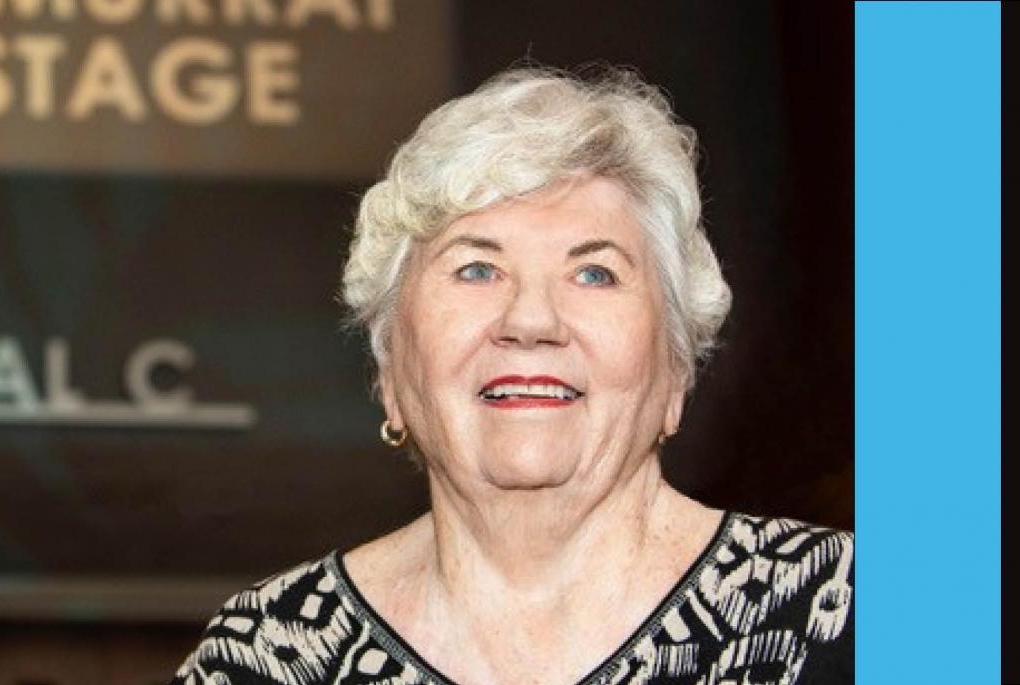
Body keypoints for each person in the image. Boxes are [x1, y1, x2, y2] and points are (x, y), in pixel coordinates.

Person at [169, 66, 854, 685]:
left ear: (676, 368)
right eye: (476, 268)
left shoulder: (853, 615)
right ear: (390, 370)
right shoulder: (269, 654)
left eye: (594, 272)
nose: (531, 319)